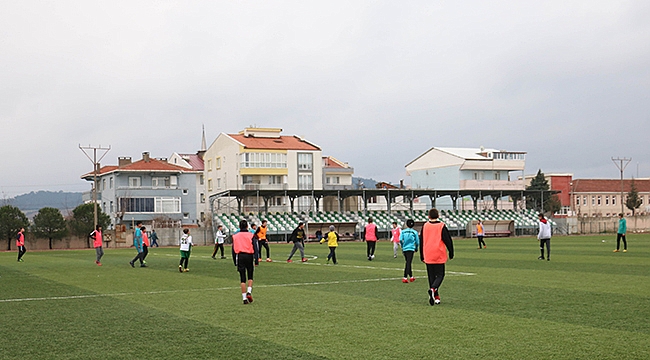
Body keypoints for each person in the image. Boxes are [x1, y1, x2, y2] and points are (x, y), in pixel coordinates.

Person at [420, 208, 454, 305]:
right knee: (440, 275)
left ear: (428, 216)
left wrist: (422, 255)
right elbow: (448, 240)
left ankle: (436, 296)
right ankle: (434, 290)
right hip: (438, 253)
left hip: (428, 253)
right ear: (438, 216)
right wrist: (451, 252)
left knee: (431, 276)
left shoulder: (425, 226)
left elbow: (421, 240)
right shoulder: (441, 226)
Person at [232, 219, 255, 304]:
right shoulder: (251, 235)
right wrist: (256, 259)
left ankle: (244, 298)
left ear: (239, 227)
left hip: (240, 256)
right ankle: (249, 291)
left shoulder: (235, 236)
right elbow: (255, 247)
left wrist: (235, 261)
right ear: (247, 226)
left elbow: (233, 250)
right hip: (249, 256)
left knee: (242, 278)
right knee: (250, 275)